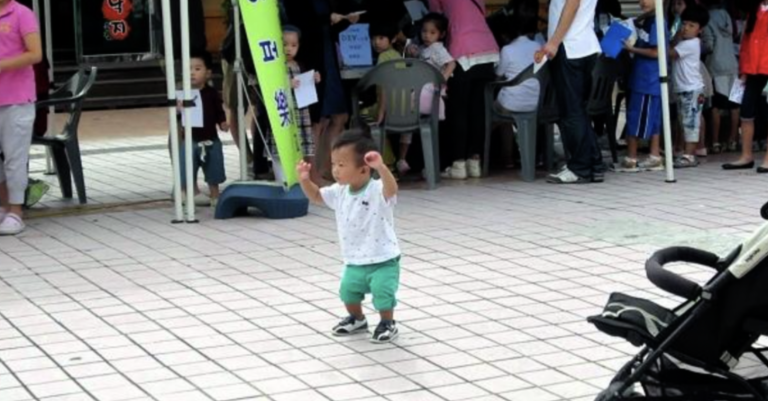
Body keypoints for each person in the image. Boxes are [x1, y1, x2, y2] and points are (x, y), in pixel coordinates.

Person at [296, 130, 401, 344]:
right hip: (354, 259)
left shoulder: (376, 189)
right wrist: (305, 180)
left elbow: (392, 189)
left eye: (341, 165)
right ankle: (357, 318)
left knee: (383, 292)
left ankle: (387, 322)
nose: (335, 170)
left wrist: (381, 167)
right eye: (334, 164)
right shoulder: (339, 192)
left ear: (363, 169)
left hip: (383, 258)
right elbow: (316, 195)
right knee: (347, 291)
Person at [283, 0, 355, 181]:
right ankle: (313, 173)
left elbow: (329, 30)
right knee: (317, 119)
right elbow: (299, 22)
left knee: (340, 115)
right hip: (309, 58)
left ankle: (325, 168)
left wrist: (346, 21)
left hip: (327, 56)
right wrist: (326, 18)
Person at [428, 0, 499, 180]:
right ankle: (474, 162)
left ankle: (458, 163)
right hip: (487, 46)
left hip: (463, 49)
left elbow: (436, 20)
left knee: (459, 110)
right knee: (477, 110)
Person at [539, 0, 604, 183]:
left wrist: (554, 41)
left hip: (569, 46)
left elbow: (572, 5)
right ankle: (593, 164)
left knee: (571, 111)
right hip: (583, 45)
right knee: (578, 111)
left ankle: (580, 167)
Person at [0, 0, 42, 235]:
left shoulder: (21, 13)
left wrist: (2, 65)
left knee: (14, 159)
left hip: (16, 98)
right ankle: (4, 206)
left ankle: (16, 211)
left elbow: (35, 54)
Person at [616, 0, 666, 172]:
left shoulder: (657, 22)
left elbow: (656, 52)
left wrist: (631, 50)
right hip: (646, 78)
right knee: (653, 120)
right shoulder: (647, 20)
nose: (641, 1)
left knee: (636, 118)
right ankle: (654, 156)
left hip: (647, 79)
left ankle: (631, 158)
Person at [177, 51, 229, 208]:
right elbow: (177, 118)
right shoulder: (182, 94)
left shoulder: (212, 93)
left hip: (211, 138)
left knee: (214, 168)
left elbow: (218, 111)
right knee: (187, 168)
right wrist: (178, 110)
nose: (192, 72)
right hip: (189, 140)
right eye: (188, 69)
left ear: (208, 73)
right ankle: (186, 196)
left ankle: (215, 195)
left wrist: (222, 123)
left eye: (197, 68)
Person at [406, 13, 455, 175]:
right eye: (424, 31)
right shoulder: (426, 49)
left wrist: (442, 81)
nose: (427, 35)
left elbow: (451, 63)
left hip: (431, 94)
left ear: (441, 35)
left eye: (432, 32)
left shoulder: (438, 49)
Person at [722, 0, 768, 172]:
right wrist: (744, 69)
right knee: (746, 110)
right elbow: (746, 43)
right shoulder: (754, 11)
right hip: (753, 69)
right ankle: (746, 156)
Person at [279, 26, 320, 181]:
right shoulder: (277, 66)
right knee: (288, 144)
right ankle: (290, 177)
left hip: (301, 111)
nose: (289, 49)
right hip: (286, 112)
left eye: (293, 45)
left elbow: (304, 83)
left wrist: (314, 78)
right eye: (285, 44)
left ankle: (306, 178)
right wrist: (286, 83)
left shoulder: (299, 65)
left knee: (304, 144)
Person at [670, 4, 709, 168]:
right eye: (684, 24)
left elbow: (670, 52)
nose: (686, 28)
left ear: (700, 29)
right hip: (685, 89)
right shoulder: (686, 42)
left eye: (691, 25)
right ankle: (687, 152)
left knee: (691, 122)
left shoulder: (691, 44)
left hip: (691, 90)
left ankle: (689, 155)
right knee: (685, 120)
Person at [702, 0, 740, 154]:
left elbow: (709, 46)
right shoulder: (727, 16)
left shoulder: (707, 17)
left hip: (716, 65)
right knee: (734, 105)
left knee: (716, 106)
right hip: (732, 63)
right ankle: (732, 140)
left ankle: (716, 142)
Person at [496, 0, 541, 114]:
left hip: (510, 105)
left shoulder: (507, 50)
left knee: (491, 108)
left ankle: (507, 132)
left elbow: (498, 77)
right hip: (535, 104)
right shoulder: (539, 47)